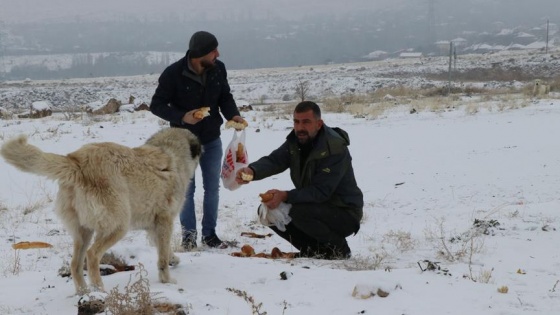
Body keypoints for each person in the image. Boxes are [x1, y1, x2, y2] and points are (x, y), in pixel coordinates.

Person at [150, 30, 246, 250]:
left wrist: (233, 115)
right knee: (187, 190)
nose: (218, 54)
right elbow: (157, 105)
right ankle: (189, 237)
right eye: (213, 51)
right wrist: (182, 117)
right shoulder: (172, 74)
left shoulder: (218, 69)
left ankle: (210, 235)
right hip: (183, 144)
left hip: (212, 139)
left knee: (212, 188)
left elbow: (225, 96)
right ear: (200, 54)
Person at [235, 101, 363, 259]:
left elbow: (321, 191)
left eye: (306, 122)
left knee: (297, 211)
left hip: (345, 212)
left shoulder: (335, 148)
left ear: (319, 123)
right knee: (268, 211)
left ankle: (339, 249)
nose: (300, 127)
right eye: (296, 122)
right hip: (317, 207)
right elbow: (275, 160)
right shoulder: (296, 141)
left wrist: (285, 195)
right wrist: (252, 171)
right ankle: (314, 250)